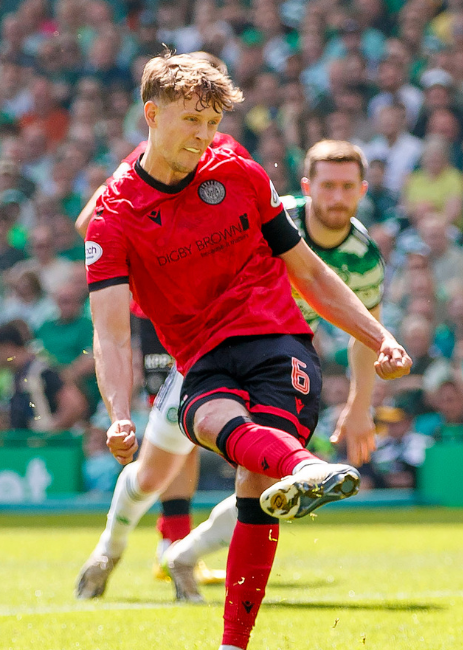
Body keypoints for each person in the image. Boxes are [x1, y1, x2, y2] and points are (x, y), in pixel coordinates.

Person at [78, 54, 409, 650]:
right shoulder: (114, 215)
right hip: (197, 356)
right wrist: (117, 412)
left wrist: (377, 335)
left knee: (251, 472)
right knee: (200, 434)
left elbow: (307, 270)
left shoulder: (238, 171)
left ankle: (232, 640)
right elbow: (109, 331)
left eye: (211, 122)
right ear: (151, 115)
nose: (203, 137)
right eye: (190, 122)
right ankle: (299, 471)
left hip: (277, 340)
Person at [157, 139, 389, 591]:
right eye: (328, 186)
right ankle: (111, 546)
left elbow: (365, 333)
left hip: (279, 361)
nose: (337, 198)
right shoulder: (272, 214)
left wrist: (360, 405)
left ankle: (182, 555)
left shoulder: (364, 259)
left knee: (266, 471)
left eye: (347, 187)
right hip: (212, 343)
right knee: (153, 466)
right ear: (307, 186)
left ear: (362, 190)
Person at [74, 52, 257, 595]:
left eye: (211, 113)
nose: (203, 126)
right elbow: (91, 224)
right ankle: (162, 544)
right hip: (163, 324)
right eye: (193, 112)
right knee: (174, 443)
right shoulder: (146, 161)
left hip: (230, 323)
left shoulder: (228, 158)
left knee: (210, 439)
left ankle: (176, 546)